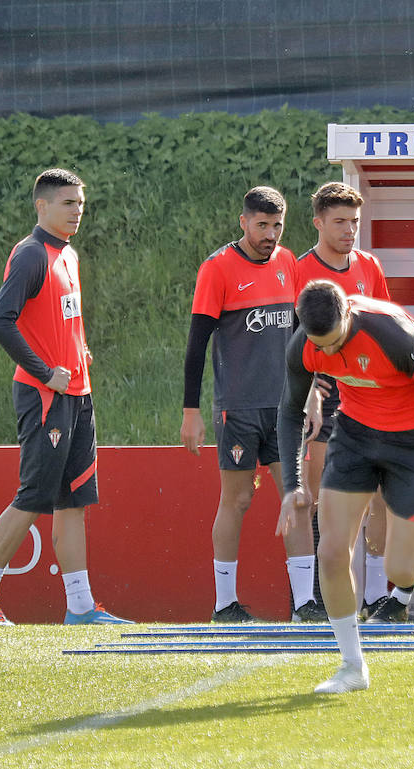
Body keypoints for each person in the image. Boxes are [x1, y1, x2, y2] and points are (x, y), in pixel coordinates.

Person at [276, 281, 414, 693]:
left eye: (335, 343)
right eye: (321, 345)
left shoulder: (391, 335)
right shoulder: (305, 344)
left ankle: (412, 536)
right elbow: (289, 411)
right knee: (330, 552)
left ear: (347, 316)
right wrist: (291, 484)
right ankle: (352, 666)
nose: (329, 354)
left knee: (399, 569)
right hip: (355, 436)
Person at [0, 167, 131, 626]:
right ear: (42, 206)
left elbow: (60, 318)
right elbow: (1, 321)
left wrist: (79, 351)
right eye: (68, 203)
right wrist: (44, 372)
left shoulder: (68, 254)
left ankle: (80, 606)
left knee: (73, 499)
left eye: (80, 202)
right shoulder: (32, 254)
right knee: (34, 496)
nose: (78, 211)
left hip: (77, 393)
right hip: (43, 396)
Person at [180, 186, 316, 623]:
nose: (270, 234)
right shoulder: (217, 269)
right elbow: (196, 346)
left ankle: (305, 605)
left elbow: (301, 339)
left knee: (297, 498)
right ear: (243, 222)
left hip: (284, 408)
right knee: (236, 501)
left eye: (277, 225)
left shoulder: (288, 263)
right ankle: (224, 605)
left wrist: (310, 392)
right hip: (237, 407)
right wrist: (191, 411)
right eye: (262, 225)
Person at [293, 181, 393, 622]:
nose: (350, 230)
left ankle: (374, 596)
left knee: (378, 497)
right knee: (315, 498)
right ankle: (312, 601)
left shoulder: (369, 265)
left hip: (368, 393)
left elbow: (386, 327)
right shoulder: (298, 270)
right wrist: (310, 389)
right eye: (340, 222)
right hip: (323, 394)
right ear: (318, 223)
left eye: (355, 221)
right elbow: (291, 342)